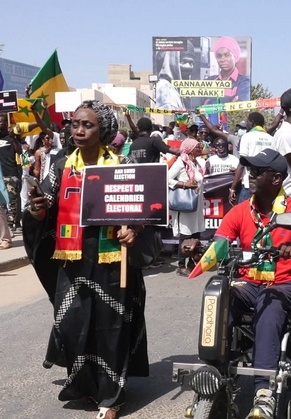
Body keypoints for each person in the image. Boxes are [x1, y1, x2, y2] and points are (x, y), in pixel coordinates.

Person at [25, 100, 148, 419]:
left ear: (103, 130)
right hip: (73, 256)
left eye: (87, 125)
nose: (79, 130)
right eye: (75, 124)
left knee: (111, 327)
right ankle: (86, 385)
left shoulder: (119, 164)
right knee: (72, 322)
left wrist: (133, 230)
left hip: (111, 259)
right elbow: (45, 207)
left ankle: (111, 398)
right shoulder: (62, 164)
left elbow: (141, 209)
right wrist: (37, 209)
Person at [183, 148, 291, 419]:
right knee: (218, 293)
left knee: (268, 307)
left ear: (277, 179)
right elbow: (220, 245)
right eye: (249, 171)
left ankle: (263, 392)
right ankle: (213, 379)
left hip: (286, 283)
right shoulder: (240, 211)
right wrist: (198, 249)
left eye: (257, 172)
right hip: (248, 281)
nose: (249, 176)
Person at [169, 138, 205, 276]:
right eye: (197, 147)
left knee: (195, 234)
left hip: (196, 205)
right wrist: (184, 184)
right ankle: (181, 264)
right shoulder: (180, 163)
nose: (200, 149)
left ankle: (191, 262)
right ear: (190, 149)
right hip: (185, 205)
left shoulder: (196, 163)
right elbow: (167, 178)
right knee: (185, 235)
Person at [230, 112, 274, 204]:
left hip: (249, 185)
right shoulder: (271, 138)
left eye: (248, 121)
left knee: (245, 215)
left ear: (252, 122)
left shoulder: (247, 137)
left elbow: (242, 163)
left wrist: (232, 188)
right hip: (266, 185)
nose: (246, 124)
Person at [202, 36, 251, 104]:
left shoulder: (244, 81)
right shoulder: (209, 81)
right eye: (219, 56)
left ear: (235, 56)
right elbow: (197, 107)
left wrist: (209, 102)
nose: (222, 59)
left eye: (227, 55)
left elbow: (241, 107)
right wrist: (231, 102)